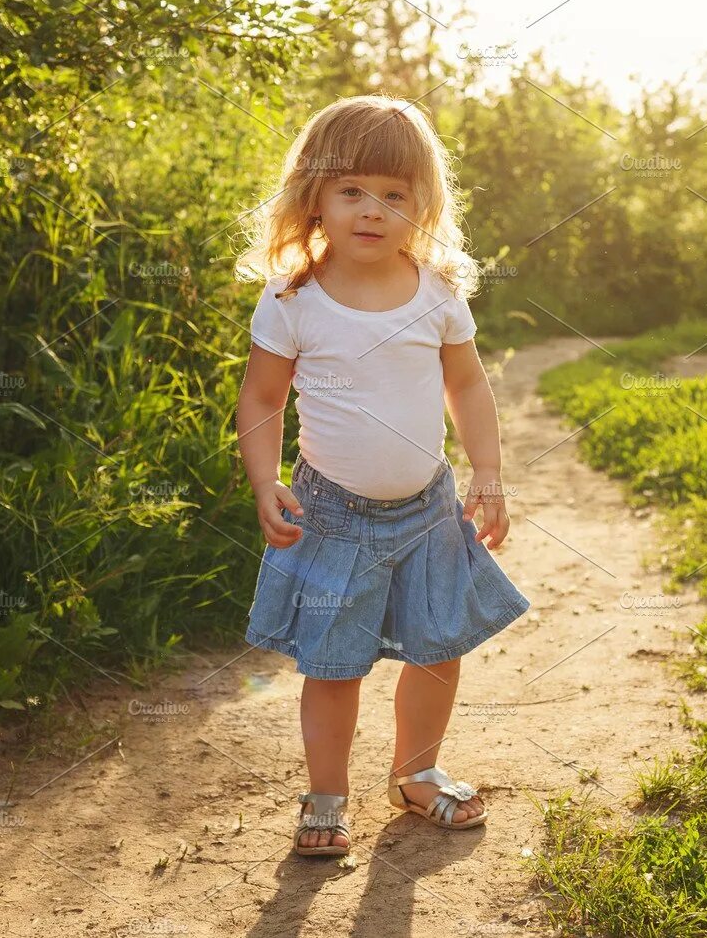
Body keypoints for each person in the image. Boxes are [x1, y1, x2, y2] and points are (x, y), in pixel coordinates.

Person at [232, 94, 530, 858]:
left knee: (439, 645)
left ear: (420, 204)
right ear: (316, 198)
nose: (372, 209)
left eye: (393, 194)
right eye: (352, 190)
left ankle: (417, 772)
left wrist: (486, 472)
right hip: (331, 513)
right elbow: (262, 398)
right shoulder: (295, 296)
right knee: (335, 663)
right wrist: (266, 482)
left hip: (428, 507)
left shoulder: (434, 291)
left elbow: (465, 386)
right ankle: (326, 794)